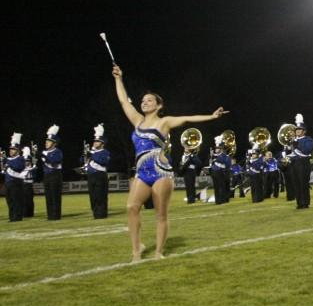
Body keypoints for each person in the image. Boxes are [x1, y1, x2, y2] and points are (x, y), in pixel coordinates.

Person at [112, 64, 227, 262]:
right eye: (143, 100)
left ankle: (159, 251)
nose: (144, 102)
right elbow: (123, 101)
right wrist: (118, 79)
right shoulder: (137, 120)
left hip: (161, 171)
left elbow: (188, 118)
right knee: (132, 207)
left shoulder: (164, 122)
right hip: (142, 172)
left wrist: (212, 116)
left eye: (149, 100)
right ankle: (136, 249)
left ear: (158, 106)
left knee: (160, 214)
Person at [84, 123, 111, 218]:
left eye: (97, 141)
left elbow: (103, 161)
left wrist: (91, 154)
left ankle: (101, 214)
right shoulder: (92, 153)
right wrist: (85, 156)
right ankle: (95, 213)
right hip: (91, 176)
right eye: (94, 141)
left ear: (102, 143)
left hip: (100, 175)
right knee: (93, 196)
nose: (95, 143)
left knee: (100, 195)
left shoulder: (105, 152)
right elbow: (82, 161)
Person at [290, 114, 313, 208]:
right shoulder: (292, 141)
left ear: (304, 131)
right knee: (296, 183)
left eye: (300, 129)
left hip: (303, 163)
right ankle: (299, 203)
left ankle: (305, 202)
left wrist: (296, 144)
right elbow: (290, 153)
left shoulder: (308, 139)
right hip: (294, 163)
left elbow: (307, 150)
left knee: (303, 183)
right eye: (297, 129)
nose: (298, 131)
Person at [41, 124, 64, 220]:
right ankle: (50, 214)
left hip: (55, 175)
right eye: (46, 141)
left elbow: (54, 161)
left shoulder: (58, 151)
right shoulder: (45, 152)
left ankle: (56, 215)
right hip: (47, 175)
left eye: (49, 141)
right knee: (48, 196)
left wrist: (45, 157)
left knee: (55, 196)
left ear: (54, 143)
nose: (46, 142)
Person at [4, 134, 27, 222]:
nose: (11, 151)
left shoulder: (20, 159)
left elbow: (18, 167)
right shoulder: (8, 159)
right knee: (9, 201)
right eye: (10, 149)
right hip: (8, 183)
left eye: (13, 149)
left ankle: (17, 217)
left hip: (16, 183)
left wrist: (8, 165)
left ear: (17, 151)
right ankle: (12, 217)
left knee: (17, 201)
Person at [209, 138, 231, 204]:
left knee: (222, 187)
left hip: (221, 172)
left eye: (217, 148)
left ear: (221, 149)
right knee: (216, 187)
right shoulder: (214, 156)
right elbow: (211, 164)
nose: (216, 149)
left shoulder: (224, 156)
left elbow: (226, 163)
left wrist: (215, 158)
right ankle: (217, 201)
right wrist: (211, 158)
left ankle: (223, 200)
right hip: (214, 172)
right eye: (216, 148)